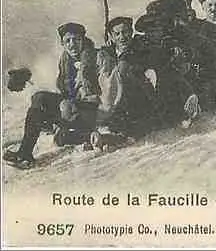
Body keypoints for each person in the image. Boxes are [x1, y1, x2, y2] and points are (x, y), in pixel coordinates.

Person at [3, 23, 101, 167]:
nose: (72, 44)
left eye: (76, 39)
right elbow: (64, 90)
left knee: (42, 102)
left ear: (83, 40)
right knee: (38, 99)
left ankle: (25, 154)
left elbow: (107, 90)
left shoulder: (96, 57)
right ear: (62, 43)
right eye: (68, 41)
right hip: (73, 108)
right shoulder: (65, 60)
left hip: (91, 109)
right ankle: (25, 153)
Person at [96, 16, 161, 138]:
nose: (122, 37)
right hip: (115, 105)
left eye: (125, 32)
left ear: (131, 32)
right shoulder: (107, 53)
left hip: (140, 102)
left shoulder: (141, 49)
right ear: (112, 37)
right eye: (117, 34)